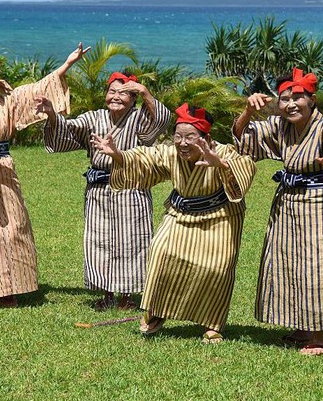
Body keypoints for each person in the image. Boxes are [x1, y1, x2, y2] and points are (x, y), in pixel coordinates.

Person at [92, 103, 256, 343]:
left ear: (206, 138)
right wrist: (117, 154)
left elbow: (245, 167)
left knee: (217, 268)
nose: (182, 142)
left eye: (190, 137)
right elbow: (145, 159)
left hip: (220, 216)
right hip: (180, 213)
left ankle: (213, 323)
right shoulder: (171, 152)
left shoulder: (223, 151)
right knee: (161, 251)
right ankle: (157, 310)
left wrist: (219, 164)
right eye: (178, 136)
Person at [0, 41, 90, 308]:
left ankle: (7, 288)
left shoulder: (8, 101)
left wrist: (67, 64)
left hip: (1, 171)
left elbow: (39, 87)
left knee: (12, 229)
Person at [233, 68, 323, 355]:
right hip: (287, 200)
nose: (290, 104)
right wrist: (248, 111)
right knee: (286, 260)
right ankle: (301, 326)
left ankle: (320, 335)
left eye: (297, 98)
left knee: (317, 264)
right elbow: (244, 138)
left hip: (320, 200)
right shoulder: (279, 125)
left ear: (312, 99)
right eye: (285, 99)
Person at [40, 72, 171, 311]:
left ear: (133, 99)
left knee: (132, 240)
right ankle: (107, 293)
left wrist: (145, 92)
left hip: (131, 188)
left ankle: (127, 296)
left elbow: (160, 122)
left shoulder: (138, 118)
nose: (116, 97)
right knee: (99, 239)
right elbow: (69, 128)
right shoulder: (94, 117)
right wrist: (51, 113)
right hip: (98, 190)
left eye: (124, 93)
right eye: (112, 92)